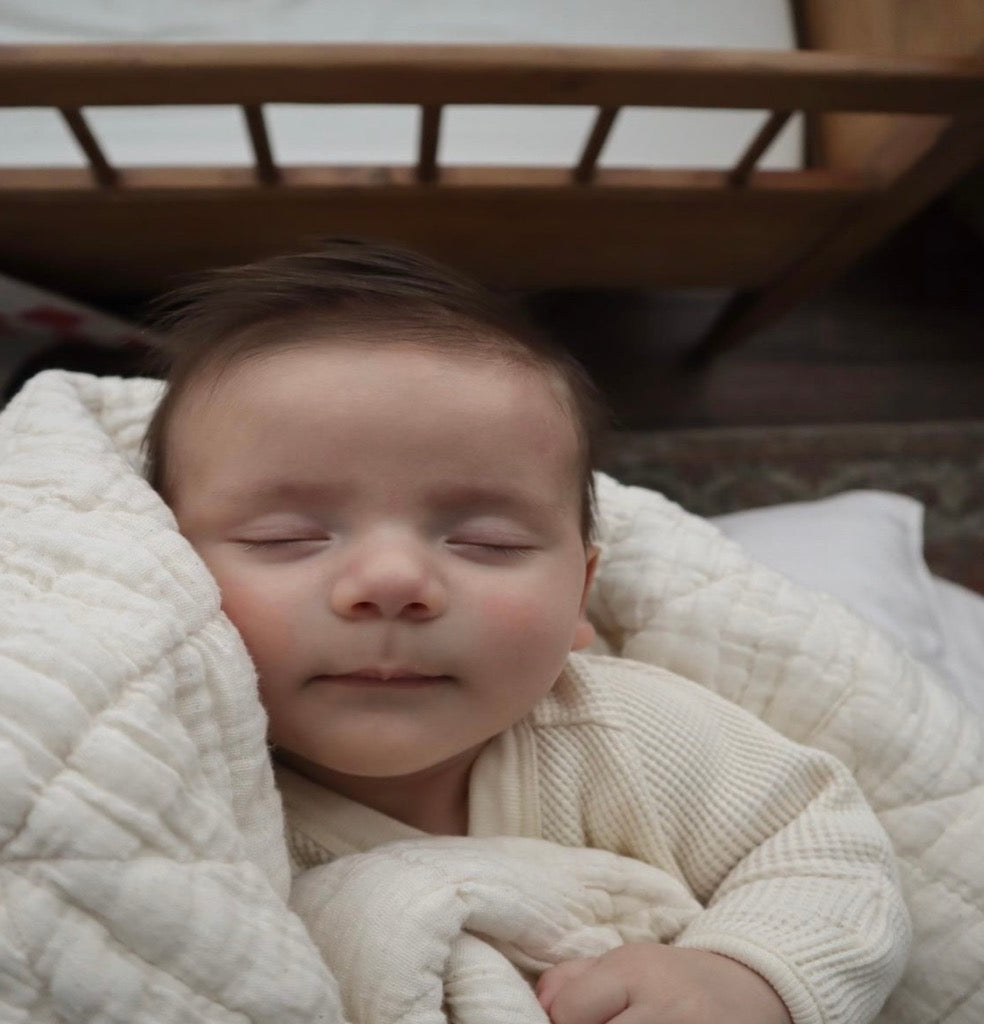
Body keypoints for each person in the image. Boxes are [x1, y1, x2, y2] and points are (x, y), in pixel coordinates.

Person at [142, 239, 910, 1024]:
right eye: (286, 537)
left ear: (581, 593)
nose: (394, 583)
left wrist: (745, 976)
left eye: (487, 543)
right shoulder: (168, 788)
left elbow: (823, 845)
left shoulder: (629, 734)